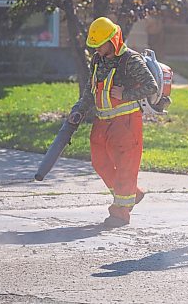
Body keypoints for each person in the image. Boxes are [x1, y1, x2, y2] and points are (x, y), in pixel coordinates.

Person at [68, 17, 158, 228]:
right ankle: (131, 194)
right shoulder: (97, 60)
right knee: (100, 163)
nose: (96, 49)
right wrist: (79, 110)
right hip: (102, 122)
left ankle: (120, 213)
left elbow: (151, 86)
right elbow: (90, 91)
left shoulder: (130, 60)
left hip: (126, 123)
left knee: (126, 168)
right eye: (94, 46)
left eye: (100, 45)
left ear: (113, 41)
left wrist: (126, 94)